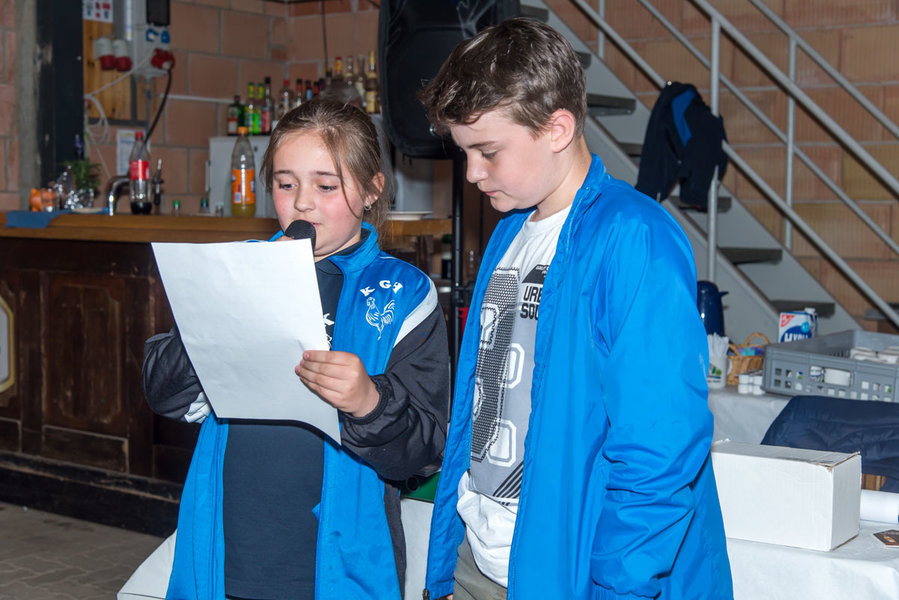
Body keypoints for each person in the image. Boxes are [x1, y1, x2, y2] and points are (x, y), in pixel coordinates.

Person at [419, 17, 733, 600]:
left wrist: (617, 589)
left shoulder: (633, 236)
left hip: (575, 571)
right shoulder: (509, 233)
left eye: (488, 151)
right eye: (465, 153)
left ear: (557, 129)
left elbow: (659, 451)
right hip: (481, 555)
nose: (473, 173)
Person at [142, 98, 450, 600]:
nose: (303, 203)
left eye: (326, 186)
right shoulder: (239, 269)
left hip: (339, 561)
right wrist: (219, 311)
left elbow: (423, 452)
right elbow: (165, 395)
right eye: (286, 185)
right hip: (233, 547)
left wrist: (369, 402)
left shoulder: (405, 294)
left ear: (372, 189)